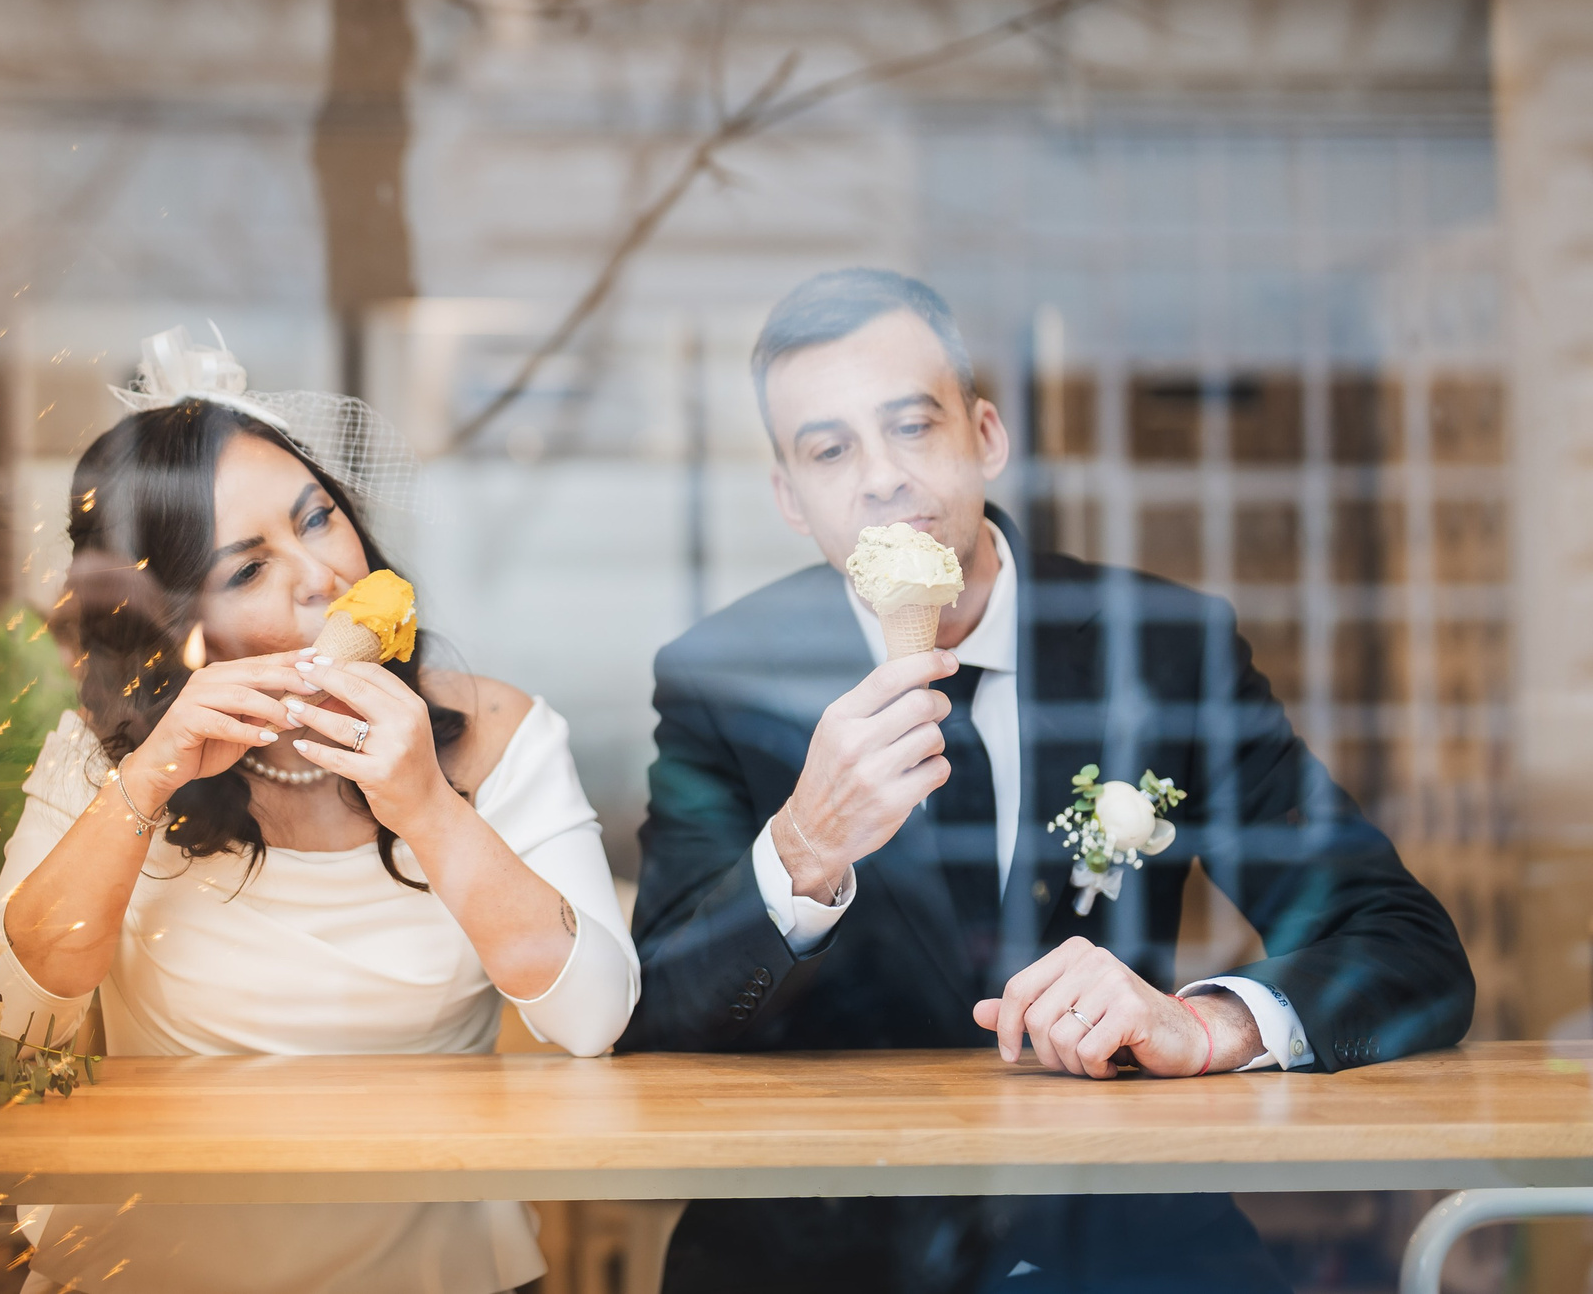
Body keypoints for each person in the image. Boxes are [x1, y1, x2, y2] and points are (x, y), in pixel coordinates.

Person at [621, 268, 1472, 1294]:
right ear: (788, 499)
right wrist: (802, 847)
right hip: (822, 1258)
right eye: (829, 450)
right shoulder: (724, 678)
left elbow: (1401, 944)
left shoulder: (1163, 650)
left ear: (985, 435)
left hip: (1127, 1243)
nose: (881, 478)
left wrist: (1204, 1024)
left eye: (911, 426)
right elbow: (657, 1011)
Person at [0, 389, 638, 1294]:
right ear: (180, 628)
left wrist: (428, 807)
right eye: (248, 570)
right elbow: (10, 1028)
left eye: (318, 519)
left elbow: (594, 1016)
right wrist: (148, 778)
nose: (322, 573)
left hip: (447, 1270)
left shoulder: (497, 729)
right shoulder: (107, 752)